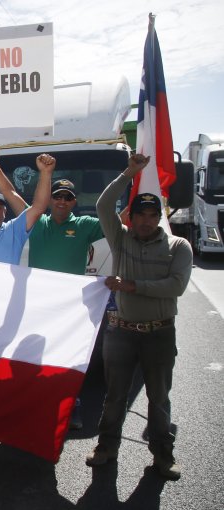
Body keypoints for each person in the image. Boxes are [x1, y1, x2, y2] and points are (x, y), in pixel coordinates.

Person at [86, 154, 192, 481]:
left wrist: (132, 286)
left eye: (151, 215)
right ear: (130, 218)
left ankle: (163, 455)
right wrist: (128, 173)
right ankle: (106, 447)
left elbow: (175, 286)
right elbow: (104, 205)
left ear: (159, 217)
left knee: (158, 399)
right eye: (140, 215)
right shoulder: (121, 239)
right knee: (114, 397)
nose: (145, 221)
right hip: (120, 333)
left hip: (159, 334)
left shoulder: (179, 246)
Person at [0, 169, 105, 429]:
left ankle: (71, 407)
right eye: (57, 197)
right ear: (51, 200)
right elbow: (10, 193)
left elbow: (116, 223)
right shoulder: (36, 221)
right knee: (34, 357)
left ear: (74, 203)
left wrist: (131, 174)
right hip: (37, 305)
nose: (62, 202)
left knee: (68, 359)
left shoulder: (85, 225)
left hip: (70, 309)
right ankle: (34, 406)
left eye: (68, 198)